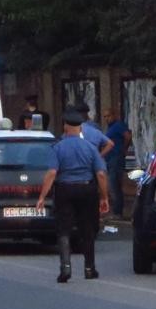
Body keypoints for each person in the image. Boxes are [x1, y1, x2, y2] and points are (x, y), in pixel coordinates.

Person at [36, 110, 110, 283]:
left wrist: (42, 196)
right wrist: (104, 197)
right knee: (88, 230)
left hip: (65, 190)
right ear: (80, 128)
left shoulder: (58, 147)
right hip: (87, 190)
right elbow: (100, 174)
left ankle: (65, 268)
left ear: (65, 127)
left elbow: (52, 173)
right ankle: (90, 268)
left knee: (63, 229)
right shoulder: (91, 148)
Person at [102, 108, 132, 219]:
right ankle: (116, 211)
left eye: (108, 116)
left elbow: (128, 136)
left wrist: (123, 149)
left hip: (116, 159)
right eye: (104, 116)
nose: (106, 118)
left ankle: (117, 212)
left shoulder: (119, 125)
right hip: (110, 160)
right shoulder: (110, 128)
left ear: (114, 115)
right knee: (114, 186)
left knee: (114, 186)